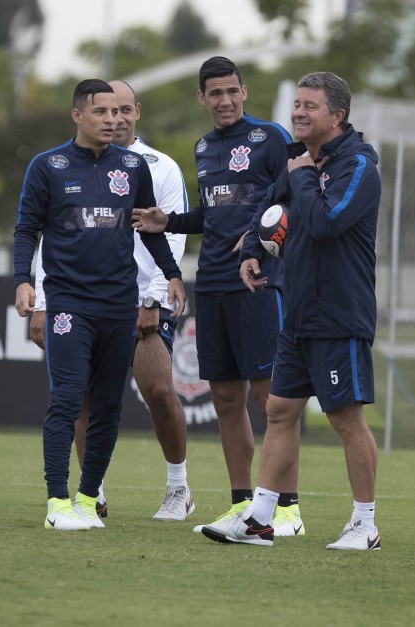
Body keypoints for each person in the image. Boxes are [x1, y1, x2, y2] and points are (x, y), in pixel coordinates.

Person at [197, 71, 383, 550]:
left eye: (310, 106)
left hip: (340, 312)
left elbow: (325, 223)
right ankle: (260, 517)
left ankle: (365, 524)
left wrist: (301, 176)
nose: (298, 113)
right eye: (296, 104)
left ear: (337, 115)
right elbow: (267, 203)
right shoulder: (299, 161)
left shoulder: (358, 163)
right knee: (279, 411)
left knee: (345, 418)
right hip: (298, 310)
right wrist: (251, 250)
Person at [132, 57, 304, 536]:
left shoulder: (269, 137)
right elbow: (211, 216)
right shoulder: (204, 146)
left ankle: (287, 509)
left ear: (244, 92)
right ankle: (241, 503)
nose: (225, 101)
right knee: (227, 400)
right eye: (215, 93)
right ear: (201, 98)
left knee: (273, 400)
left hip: (259, 282)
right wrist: (170, 222)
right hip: (210, 282)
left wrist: (259, 234)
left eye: (232, 91)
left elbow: (295, 193)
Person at [13, 79, 185, 531]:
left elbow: (151, 228)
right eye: (101, 112)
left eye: (117, 112)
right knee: (68, 399)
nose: (112, 120)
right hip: (69, 303)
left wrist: (172, 275)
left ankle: (88, 500)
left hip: (119, 305)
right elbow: (26, 230)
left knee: (109, 405)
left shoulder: (132, 166)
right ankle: (56, 502)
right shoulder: (46, 166)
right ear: (78, 116)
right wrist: (23, 283)